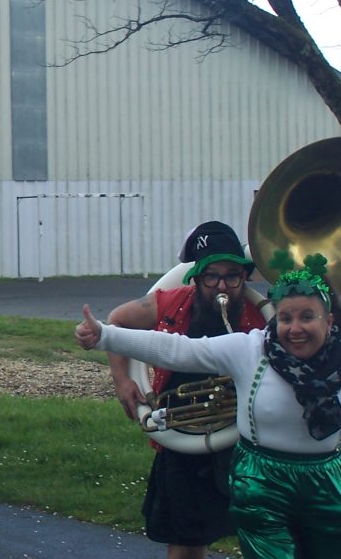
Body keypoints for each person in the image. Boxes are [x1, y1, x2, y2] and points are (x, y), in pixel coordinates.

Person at [77, 250, 341, 559]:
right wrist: (105, 335)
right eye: (285, 318)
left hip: (326, 479)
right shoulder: (251, 347)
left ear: (329, 320)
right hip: (262, 481)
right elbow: (176, 349)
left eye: (307, 317)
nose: (295, 329)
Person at [100, 220, 268, 559]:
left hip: (244, 442)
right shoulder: (171, 302)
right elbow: (116, 321)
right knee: (186, 540)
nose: (222, 286)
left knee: (260, 534)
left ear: (244, 277)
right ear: (197, 277)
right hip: (183, 440)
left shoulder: (264, 317)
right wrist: (122, 380)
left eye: (232, 276)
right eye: (212, 276)